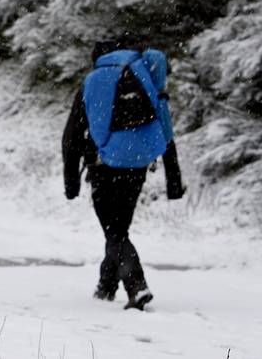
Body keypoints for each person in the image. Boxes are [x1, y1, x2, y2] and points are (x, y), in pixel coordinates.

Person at [62, 36, 185, 311]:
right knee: (118, 228)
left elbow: (71, 137)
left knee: (114, 230)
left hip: (103, 166)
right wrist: (173, 180)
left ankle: (136, 285)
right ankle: (106, 286)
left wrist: (71, 183)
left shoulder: (92, 82)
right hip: (138, 164)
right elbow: (165, 129)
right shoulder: (143, 75)